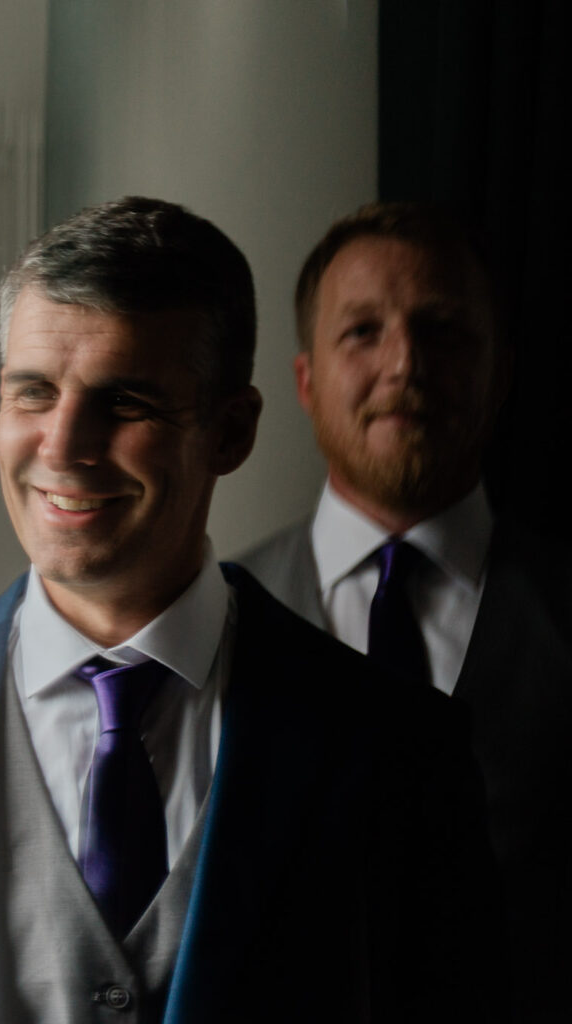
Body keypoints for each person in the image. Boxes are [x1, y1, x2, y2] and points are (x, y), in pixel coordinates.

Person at [0, 197, 499, 1023]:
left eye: (125, 402)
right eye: (32, 392)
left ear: (231, 432)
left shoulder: (400, 753)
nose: (62, 446)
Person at [237, 200, 568, 1023]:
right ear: (305, 381)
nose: (405, 363)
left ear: (501, 373)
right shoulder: (213, 619)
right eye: (361, 332)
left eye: (444, 330)